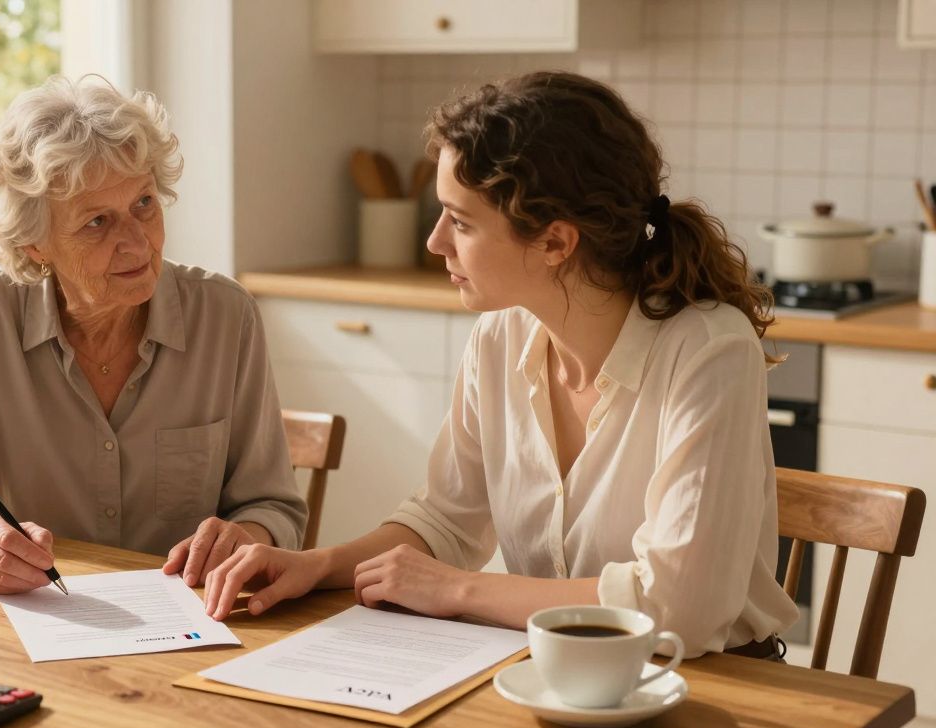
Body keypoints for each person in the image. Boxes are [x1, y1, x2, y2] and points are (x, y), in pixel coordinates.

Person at [202, 71, 799, 660]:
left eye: (460, 221)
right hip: (551, 673)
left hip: (711, 689)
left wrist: (460, 590)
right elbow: (444, 522)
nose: (435, 242)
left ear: (555, 243)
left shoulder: (707, 350)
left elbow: (680, 611)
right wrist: (315, 564)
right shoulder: (500, 336)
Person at [0, 77, 305, 594]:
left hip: (190, 622)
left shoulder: (227, 317)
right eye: (96, 222)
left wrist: (243, 536)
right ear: (36, 243)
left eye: (144, 205)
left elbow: (275, 507)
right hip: (35, 620)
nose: (135, 242)